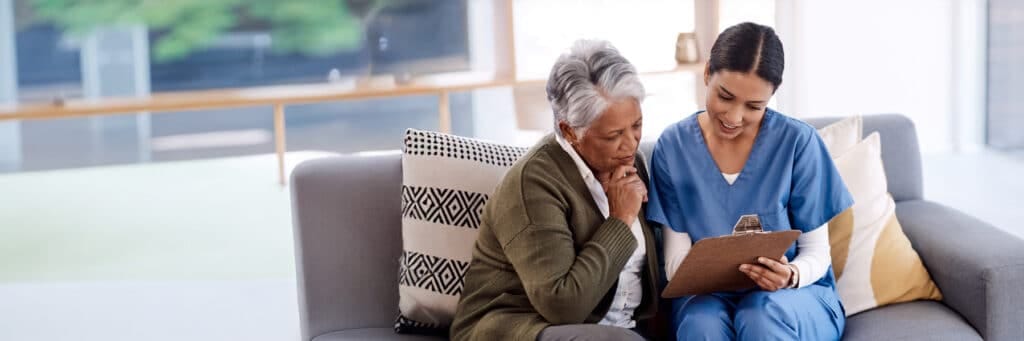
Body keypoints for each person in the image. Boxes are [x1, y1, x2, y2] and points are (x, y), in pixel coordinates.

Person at [646, 22, 853, 340]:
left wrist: (789, 274)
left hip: (790, 297)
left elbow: (817, 253)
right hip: (705, 298)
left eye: (754, 106)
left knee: (761, 315)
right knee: (701, 326)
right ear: (707, 75)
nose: (734, 117)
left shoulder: (798, 143)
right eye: (725, 96)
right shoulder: (674, 147)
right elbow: (675, 262)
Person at [449, 40, 660, 341]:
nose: (631, 144)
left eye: (637, 125)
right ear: (570, 131)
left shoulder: (629, 162)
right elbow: (563, 306)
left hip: (618, 329)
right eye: (614, 135)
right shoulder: (532, 184)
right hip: (521, 328)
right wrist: (620, 221)